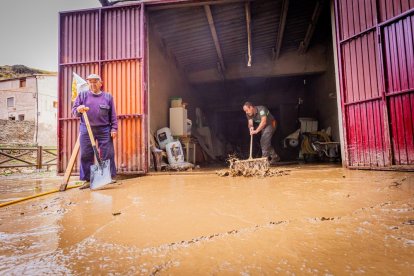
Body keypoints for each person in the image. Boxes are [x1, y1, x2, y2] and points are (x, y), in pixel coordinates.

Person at [72, 74, 118, 189]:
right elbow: (74, 111)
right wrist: (78, 109)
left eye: (95, 81)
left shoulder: (108, 97)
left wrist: (114, 128)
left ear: (100, 83)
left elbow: (113, 114)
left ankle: (108, 177)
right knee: (86, 154)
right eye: (90, 82)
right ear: (88, 83)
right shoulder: (82, 95)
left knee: (108, 153)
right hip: (86, 128)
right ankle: (87, 180)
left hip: (104, 129)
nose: (93, 84)